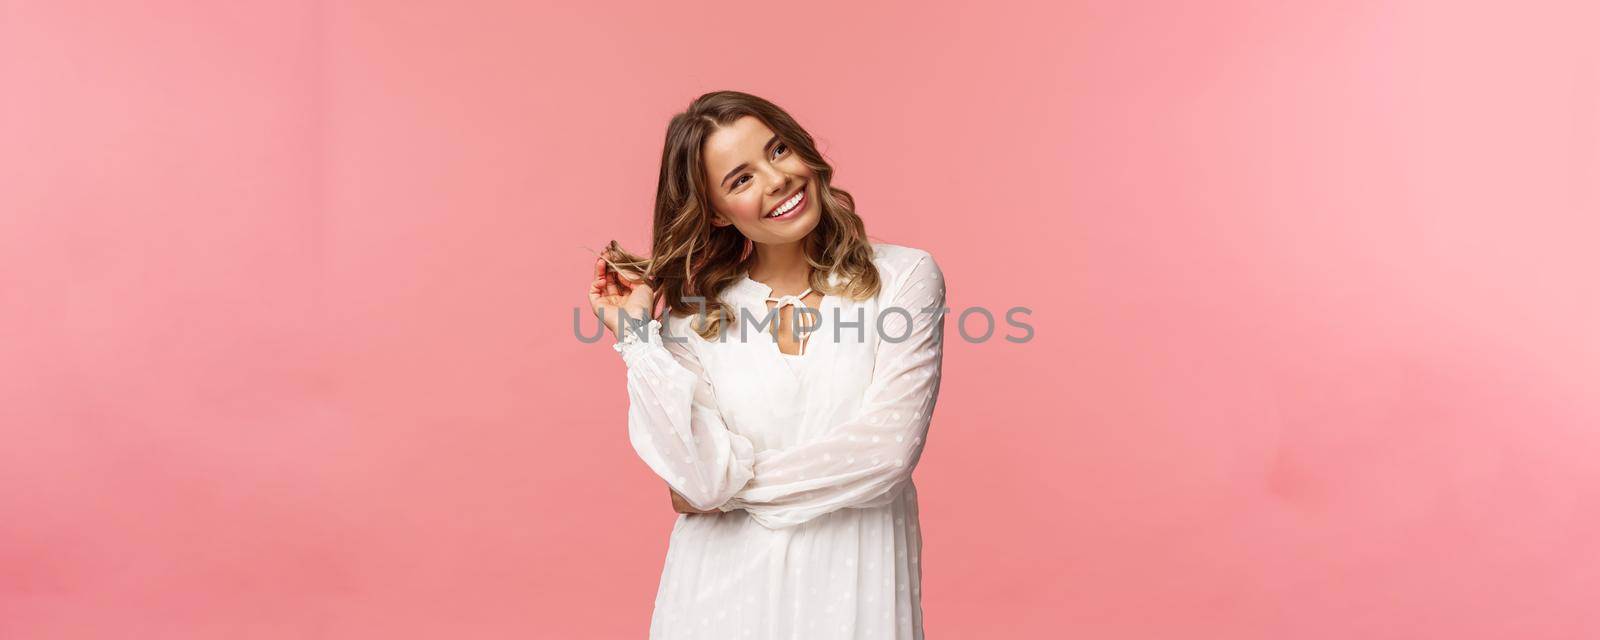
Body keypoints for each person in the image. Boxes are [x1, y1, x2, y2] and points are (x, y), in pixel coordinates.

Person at [586, 90, 946, 639]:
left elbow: (885, 454)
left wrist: (728, 490)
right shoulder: (693, 317)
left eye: (778, 151)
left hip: (852, 593)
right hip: (716, 603)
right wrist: (637, 338)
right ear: (714, 211)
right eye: (741, 179)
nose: (777, 179)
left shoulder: (904, 279)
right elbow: (697, 473)